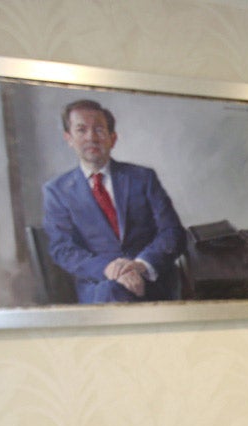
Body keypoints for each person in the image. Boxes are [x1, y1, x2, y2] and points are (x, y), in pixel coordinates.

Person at [42, 99, 186, 303]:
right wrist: (108, 269)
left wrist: (140, 265)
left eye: (99, 130)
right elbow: (63, 249)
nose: (91, 137)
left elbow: (172, 232)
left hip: (151, 282)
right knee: (111, 291)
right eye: (81, 130)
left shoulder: (143, 178)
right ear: (69, 138)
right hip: (99, 286)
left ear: (113, 138)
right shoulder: (57, 191)